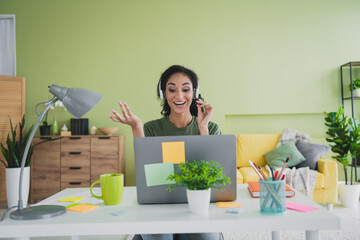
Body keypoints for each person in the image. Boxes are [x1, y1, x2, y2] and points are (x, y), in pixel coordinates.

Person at [108, 65, 222, 240]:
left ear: (194, 92)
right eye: (171, 90)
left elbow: (211, 177)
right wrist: (136, 127)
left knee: (206, 237)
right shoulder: (151, 128)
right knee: (160, 236)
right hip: (159, 206)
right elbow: (146, 175)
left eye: (185, 89)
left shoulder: (211, 128)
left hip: (198, 205)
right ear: (163, 94)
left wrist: (203, 128)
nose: (179, 96)